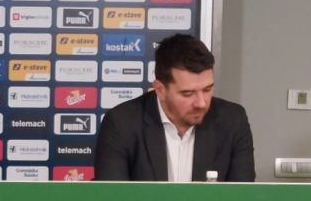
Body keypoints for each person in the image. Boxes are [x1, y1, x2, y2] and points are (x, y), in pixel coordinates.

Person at [93, 33, 255, 182]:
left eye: (207, 89)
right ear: (160, 90)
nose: (201, 103)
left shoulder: (233, 121)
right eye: (187, 93)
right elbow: (113, 199)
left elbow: (242, 197)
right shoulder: (122, 123)